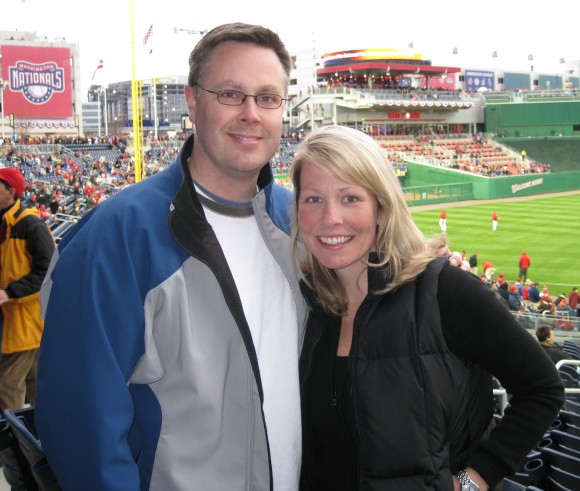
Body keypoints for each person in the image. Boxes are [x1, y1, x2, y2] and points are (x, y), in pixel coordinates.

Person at [36, 23, 308, 491]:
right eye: (230, 93)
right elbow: (82, 427)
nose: (250, 113)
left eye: (267, 98)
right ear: (192, 101)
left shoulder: (301, 222)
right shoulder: (116, 236)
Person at [290, 125, 564, 491]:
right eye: (313, 199)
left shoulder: (446, 290)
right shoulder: (305, 305)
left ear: (381, 207)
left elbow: (543, 388)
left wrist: (472, 480)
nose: (330, 218)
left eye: (350, 197)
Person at [0, 167, 55, 410]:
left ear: (10, 192)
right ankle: (42, 438)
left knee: (8, 383)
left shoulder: (31, 224)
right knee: (36, 382)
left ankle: (17, 443)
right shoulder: (5, 222)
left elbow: (48, 270)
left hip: (26, 320)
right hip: (12, 319)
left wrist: (9, 292)